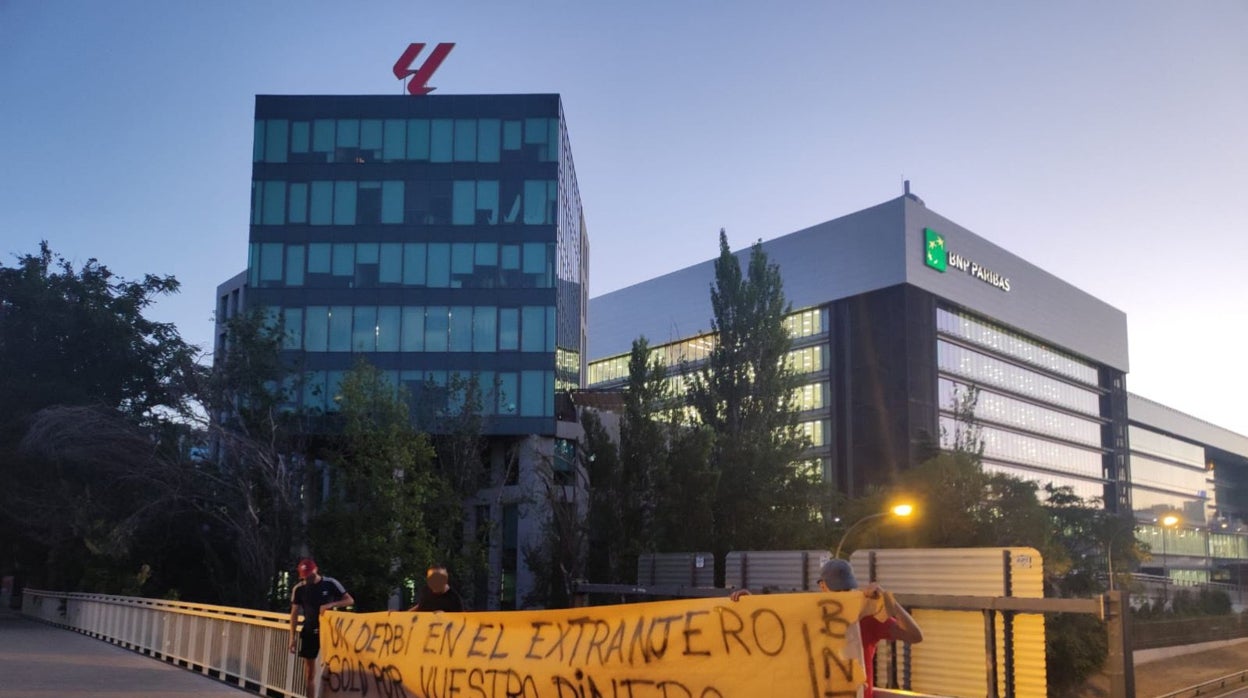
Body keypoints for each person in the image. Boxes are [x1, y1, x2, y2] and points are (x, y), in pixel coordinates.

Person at [731, 558, 922, 698]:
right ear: (823, 587)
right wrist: (749, 606)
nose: (842, 594)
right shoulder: (810, 614)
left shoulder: (866, 617)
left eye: (846, 590)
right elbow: (769, 631)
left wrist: (888, 601)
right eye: (838, 589)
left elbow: (915, 636)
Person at [289, 558, 353, 697]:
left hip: (329, 632)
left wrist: (331, 605)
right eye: (305, 577)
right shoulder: (299, 588)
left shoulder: (330, 583)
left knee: (333, 670)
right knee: (309, 673)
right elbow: (294, 613)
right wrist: (292, 638)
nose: (308, 579)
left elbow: (350, 600)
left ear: (315, 570)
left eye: (310, 576)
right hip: (309, 629)